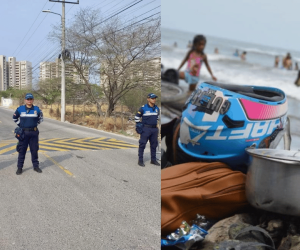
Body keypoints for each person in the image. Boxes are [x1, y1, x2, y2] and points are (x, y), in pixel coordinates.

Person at [13, 93, 43, 175]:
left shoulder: (37, 109)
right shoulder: (20, 109)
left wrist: (34, 124)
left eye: (31, 99)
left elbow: (41, 118)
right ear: (25, 100)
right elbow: (14, 118)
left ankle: (36, 166)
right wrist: (21, 125)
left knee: (34, 150)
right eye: (28, 99)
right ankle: (19, 168)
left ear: (33, 100)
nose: (29, 100)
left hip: (34, 132)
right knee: (22, 151)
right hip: (24, 133)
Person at [135, 93, 160, 167]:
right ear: (148, 99)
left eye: (155, 98)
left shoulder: (157, 108)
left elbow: (157, 118)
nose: (154, 100)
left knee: (154, 145)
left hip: (154, 129)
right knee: (142, 144)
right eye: (152, 98)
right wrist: (140, 126)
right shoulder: (143, 108)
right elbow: (136, 118)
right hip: (146, 129)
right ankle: (140, 160)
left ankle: (153, 160)